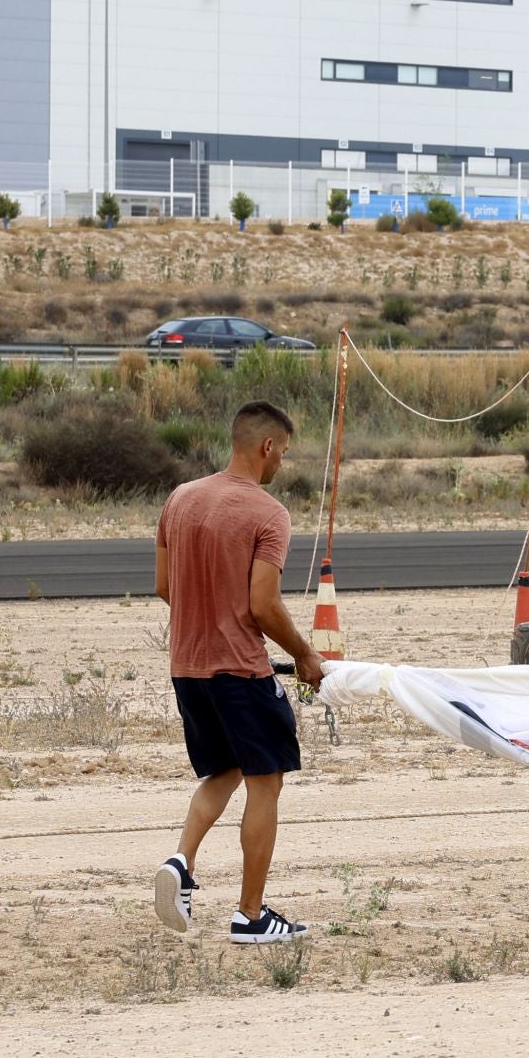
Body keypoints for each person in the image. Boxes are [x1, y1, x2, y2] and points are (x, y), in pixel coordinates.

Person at [152, 400, 325, 944]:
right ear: (267, 446)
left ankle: (182, 862)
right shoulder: (268, 513)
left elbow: (165, 586)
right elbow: (263, 606)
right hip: (240, 671)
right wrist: (304, 653)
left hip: (187, 666)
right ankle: (250, 915)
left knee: (222, 772)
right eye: (284, 454)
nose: (282, 466)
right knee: (265, 782)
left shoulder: (180, 499)